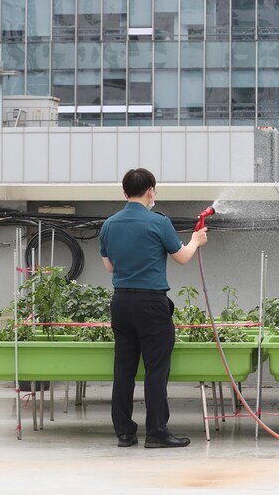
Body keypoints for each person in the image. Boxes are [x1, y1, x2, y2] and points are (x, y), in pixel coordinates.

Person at [99, 168, 208, 448]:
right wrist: (195, 241)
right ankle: (157, 433)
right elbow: (182, 257)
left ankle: (124, 433)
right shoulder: (159, 222)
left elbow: (109, 266)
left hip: (121, 302)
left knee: (123, 369)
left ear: (124, 193)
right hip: (151, 303)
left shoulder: (109, 224)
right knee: (156, 369)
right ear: (151, 191)